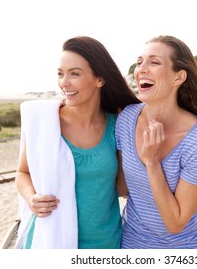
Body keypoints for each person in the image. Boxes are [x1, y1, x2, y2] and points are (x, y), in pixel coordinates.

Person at [15, 36, 140, 249]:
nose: (64, 82)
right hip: (49, 241)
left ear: (99, 79)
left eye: (75, 74)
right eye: (60, 73)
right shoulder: (45, 121)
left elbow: (122, 189)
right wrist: (31, 197)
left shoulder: (119, 125)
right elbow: (22, 173)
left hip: (104, 244)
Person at [116, 35, 197, 248]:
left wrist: (152, 162)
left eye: (154, 62)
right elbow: (122, 188)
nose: (141, 69)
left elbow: (175, 223)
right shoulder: (126, 119)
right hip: (132, 243)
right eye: (139, 62)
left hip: (184, 247)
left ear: (179, 77)